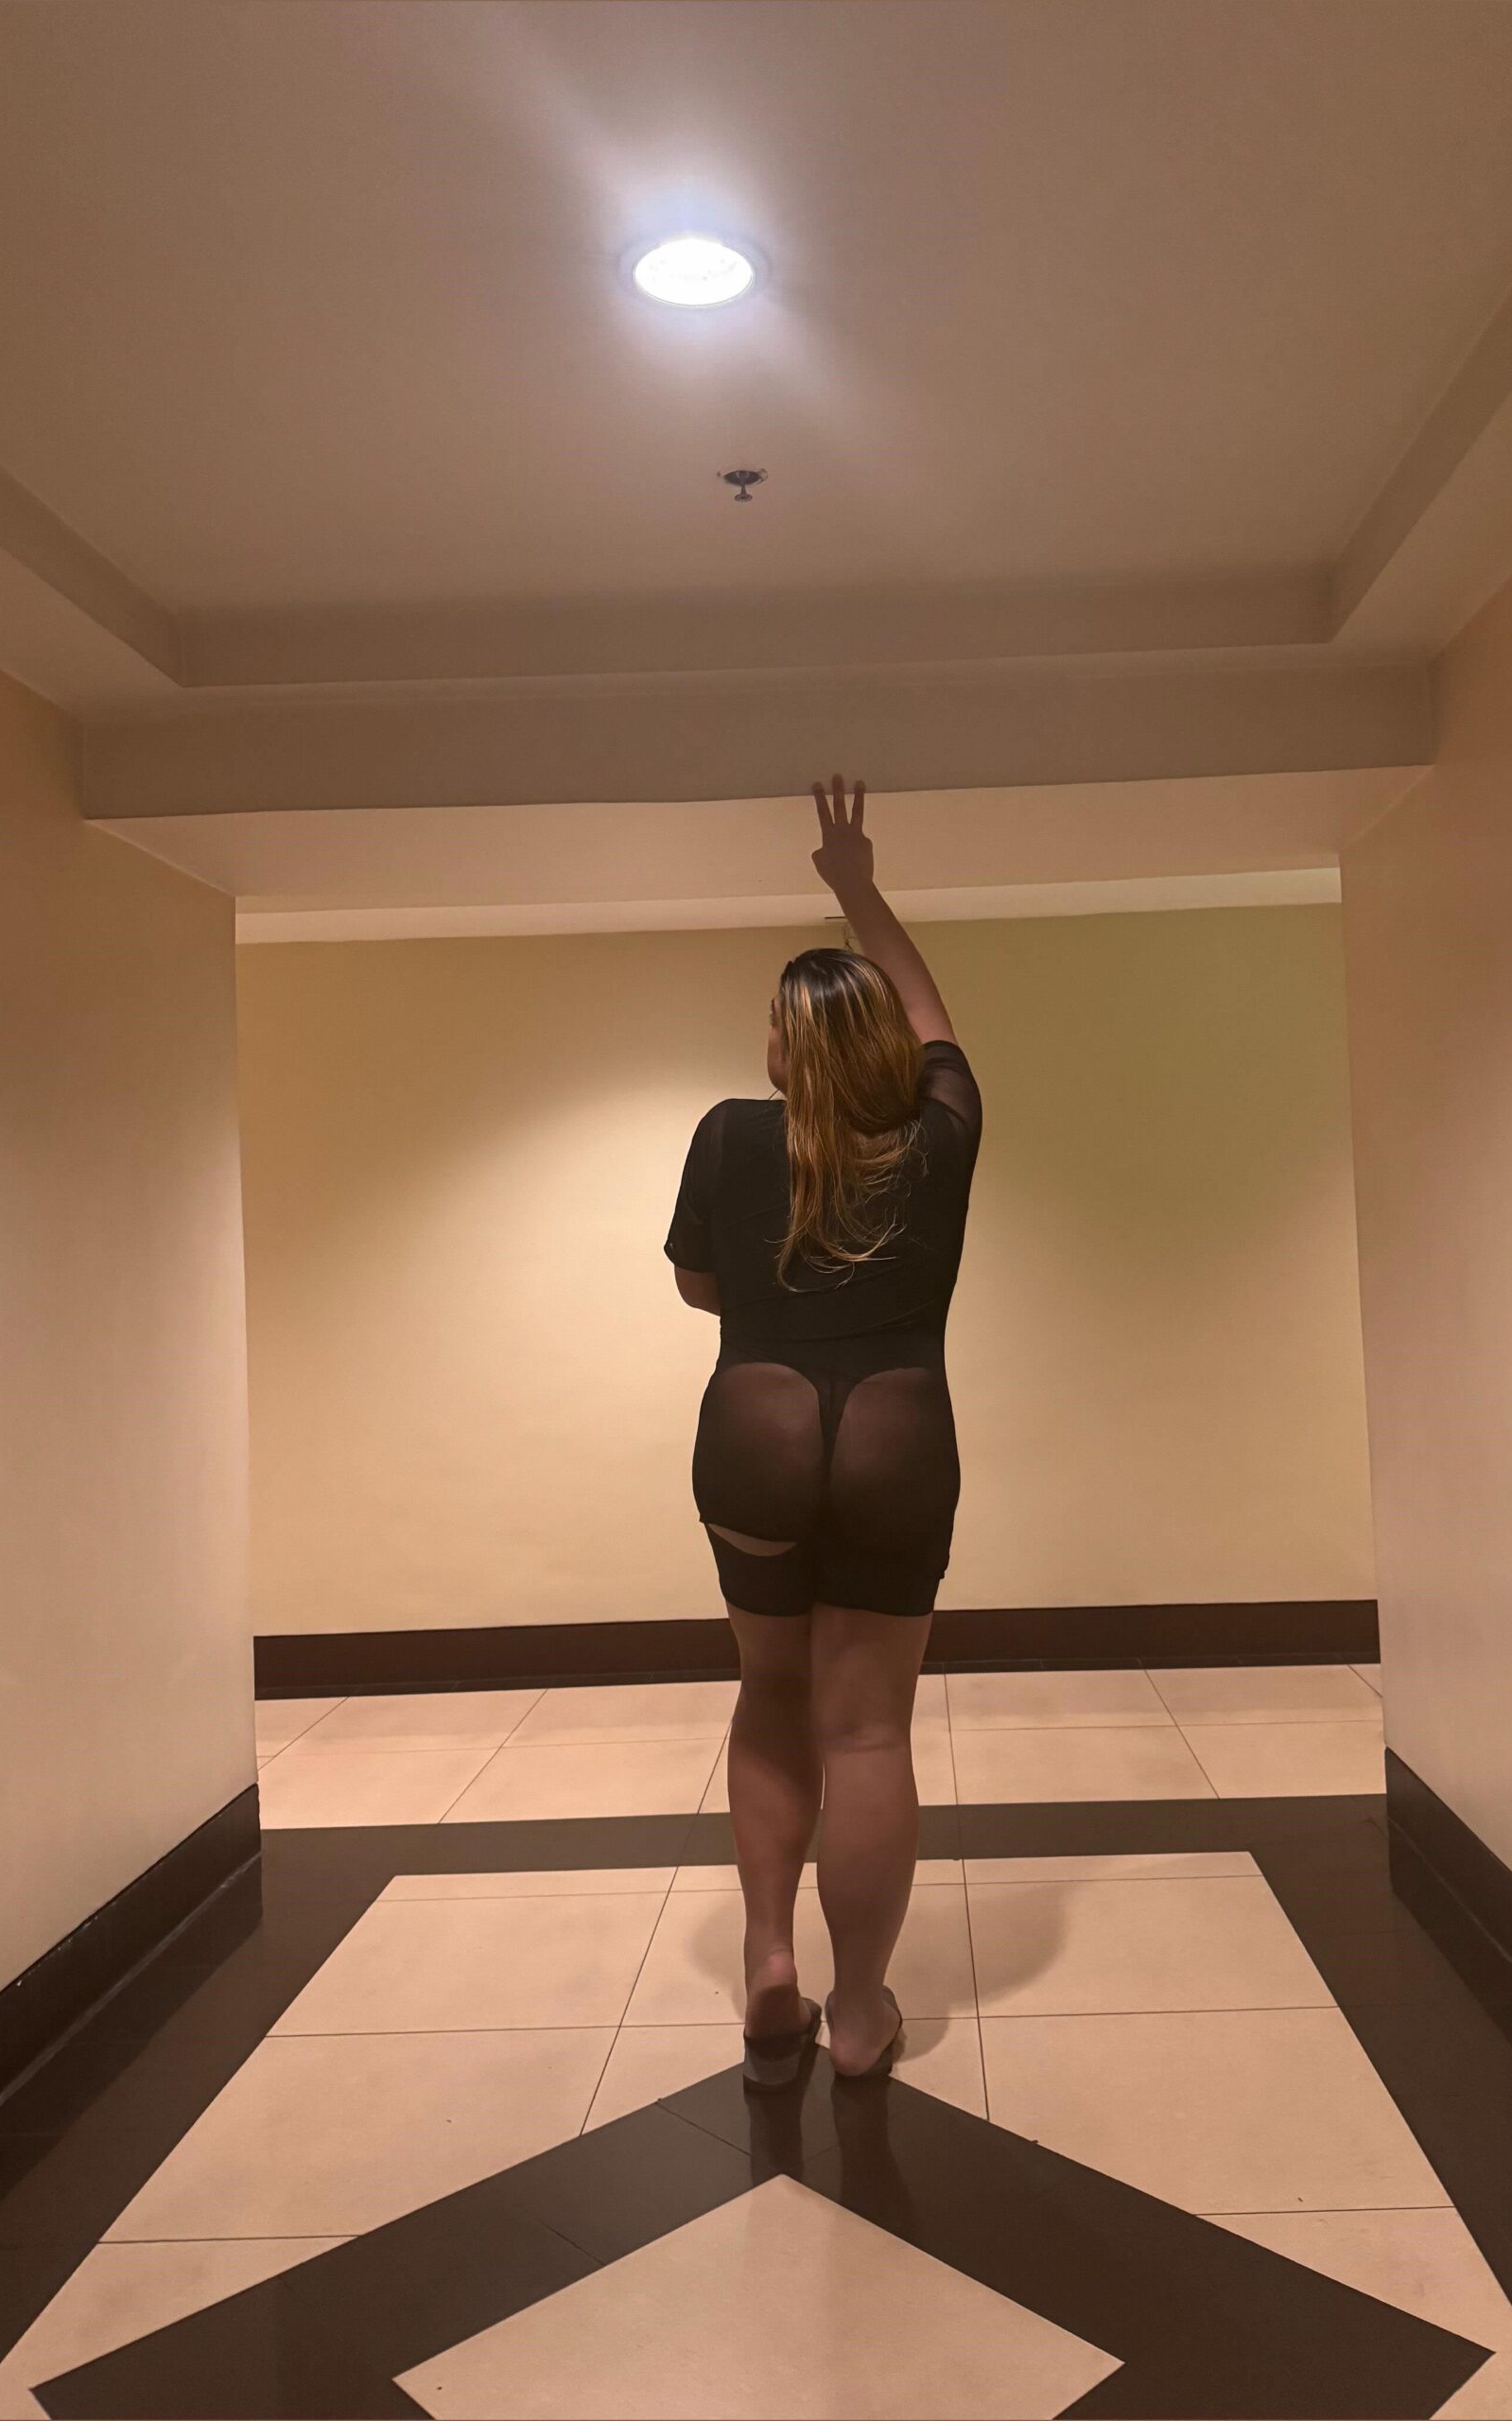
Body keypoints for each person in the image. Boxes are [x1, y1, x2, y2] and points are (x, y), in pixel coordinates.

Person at [665, 776, 983, 2087]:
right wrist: (856, 885)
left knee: (772, 1697)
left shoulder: (729, 1136)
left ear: (789, 1047)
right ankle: (858, 2013)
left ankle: (768, 1963)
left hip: (758, 1424)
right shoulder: (938, 1138)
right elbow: (936, 1025)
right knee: (868, 1732)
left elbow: (699, 1289)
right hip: (899, 1430)